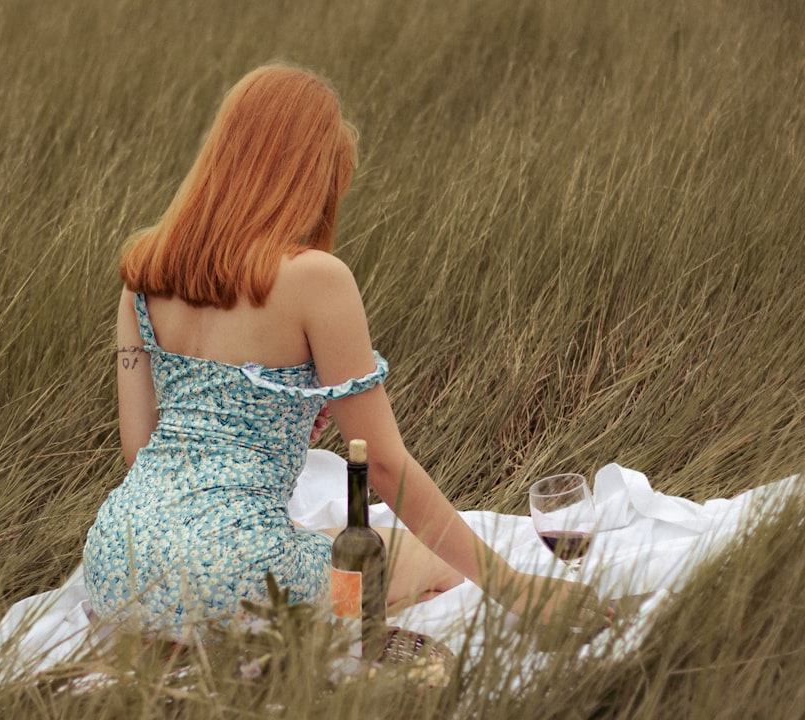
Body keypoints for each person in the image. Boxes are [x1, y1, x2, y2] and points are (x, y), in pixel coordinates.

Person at [81, 63, 607, 637]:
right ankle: (319, 642)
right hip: (239, 575)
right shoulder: (315, 278)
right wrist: (521, 591)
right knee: (431, 566)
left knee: (325, 553)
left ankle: (193, 641)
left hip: (116, 560)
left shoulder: (144, 270)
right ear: (312, 172)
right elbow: (382, 463)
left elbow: (142, 451)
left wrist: (270, 424)